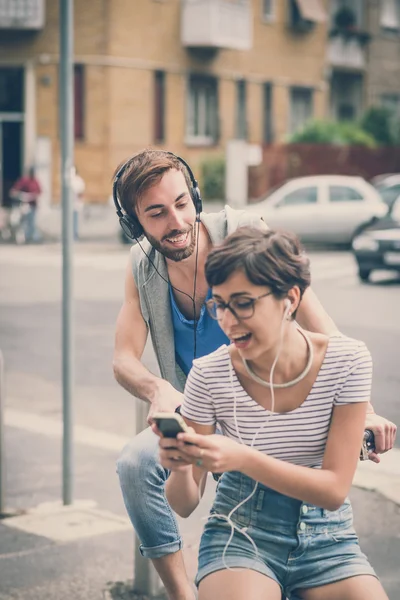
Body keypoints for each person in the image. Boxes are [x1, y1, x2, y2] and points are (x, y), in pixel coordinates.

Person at [113, 150, 396, 600]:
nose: (177, 221)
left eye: (182, 203)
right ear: (136, 223)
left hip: (312, 510)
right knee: (135, 463)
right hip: (201, 404)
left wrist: (363, 411)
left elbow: (320, 326)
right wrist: (160, 393)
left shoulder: (244, 235)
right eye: (158, 213)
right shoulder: (142, 268)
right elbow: (123, 358)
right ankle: (182, 593)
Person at [157, 227, 390, 600]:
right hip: (240, 532)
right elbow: (184, 505)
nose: (228, 322)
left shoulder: (347, 360)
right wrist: (182, 466)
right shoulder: (209, 373)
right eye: (218, 305)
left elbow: (333, 490)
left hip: (328, 536)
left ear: (290, 298)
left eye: (244, 303)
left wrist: (242, 457)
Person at [9, 167, 41, 243]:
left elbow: (39, 192)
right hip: (23, 205)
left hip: (32, 205)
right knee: (21, 223)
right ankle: (22, 238)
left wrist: (32, 196)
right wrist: (21, 195)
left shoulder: (35, 181)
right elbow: (13, 192)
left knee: (31, 223)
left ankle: (30, 238)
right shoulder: (24, 181)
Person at [71, 166, 85, 241]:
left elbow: (80, 193)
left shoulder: (78, 181)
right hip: (70, 205)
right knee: (70, 221)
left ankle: (75, 235)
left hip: (76, 204)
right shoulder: (70, 180)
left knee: (75, 221)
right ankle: (71, 235)